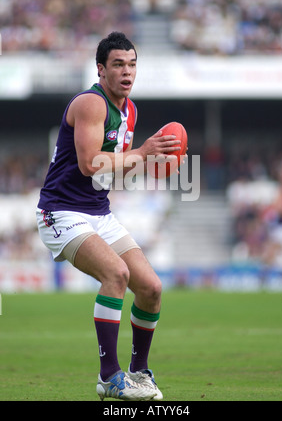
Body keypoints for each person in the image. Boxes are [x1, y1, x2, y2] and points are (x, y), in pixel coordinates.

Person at [36, 32, 180, 401]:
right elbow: (89, 165)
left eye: (132, 64)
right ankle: (109, 376)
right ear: (101, 69)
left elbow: (115, 172)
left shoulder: (130, 110)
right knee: (117, 274)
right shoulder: (90, 103)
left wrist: (151, 161)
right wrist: (145, 150)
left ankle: (139, 373)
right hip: (61, 212)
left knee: (151, 288)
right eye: (118, 64)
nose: (127, 71)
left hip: (99, 212)